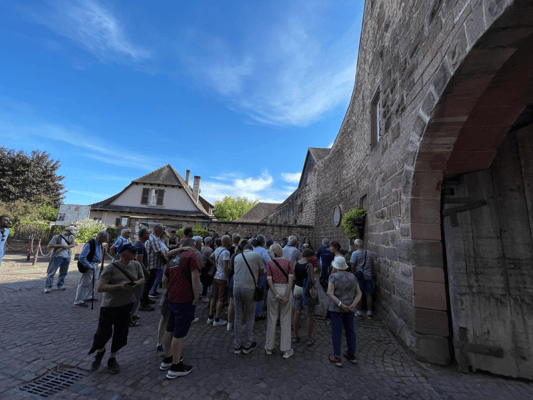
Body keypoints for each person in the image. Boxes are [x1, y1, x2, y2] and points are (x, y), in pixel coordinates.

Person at [88, 243, 145, 374]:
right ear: (124, 254)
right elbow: (100, 287)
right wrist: (119, 286)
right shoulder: (111, 268)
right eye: (133, 252)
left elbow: (142, 278)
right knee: (102, 333)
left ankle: (112, 359)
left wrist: (135, 283)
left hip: (127, 304)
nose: (135, 254)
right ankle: (100, 352)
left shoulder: (136, 265)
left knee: (121, 333)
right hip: (110, 305)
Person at [159, 238, 200, 379]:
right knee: (179, 333)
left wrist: (172, 290)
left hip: (173, 298)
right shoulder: (192, 255)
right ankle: (176, 366)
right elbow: (195, 277)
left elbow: (164, 280)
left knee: (170, 328)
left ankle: (167, 358)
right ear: (192, 245)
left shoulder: (174, 258)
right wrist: (196, 297)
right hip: (185, 298)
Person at [326, 256, 362, 367]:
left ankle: (337, 356)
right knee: (350, 330)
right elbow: (359, 293)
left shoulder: (333, 277)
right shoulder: (352, 276)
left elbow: (330, 293)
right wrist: (352, 305)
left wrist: (341, 305)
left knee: (337, 332)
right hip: (350, 308)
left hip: (336, 309)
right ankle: (352, 354)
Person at [231, 240, 262, 354]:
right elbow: (262, 273)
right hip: (249, 288)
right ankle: (247, 344)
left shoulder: (237, 257)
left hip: (236, 287)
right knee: (249, 316)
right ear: (251, 249)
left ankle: (237, 345)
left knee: (238, 316)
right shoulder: (256, 255)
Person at [265, 244, 294, 358]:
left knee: (272, 317)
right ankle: (286, 349)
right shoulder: (288, 262)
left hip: (274, 289)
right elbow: (291, 280)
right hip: (286, 287)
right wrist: (287, 294)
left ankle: (269, 347)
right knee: (286, 318)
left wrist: (276, 295)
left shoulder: (270, 263)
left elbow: (269, 281)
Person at [74, 231, 108, 308]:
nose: (105, 240)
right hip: (90, 264)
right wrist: (89, 266)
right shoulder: (90, 244)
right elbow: (82, 257)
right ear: (100, 237)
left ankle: (88, 296)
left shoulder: (99, 244)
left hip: (95, 264)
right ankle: (78, 301)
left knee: (93, 281)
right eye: (104, 238)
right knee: (85, 282)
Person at [292, 249, 316, 346]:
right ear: (309, 256)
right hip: (306, 290)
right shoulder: (309, 265)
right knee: (308, 314)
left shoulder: (295, 263)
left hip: (297, 288)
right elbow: (312, 281)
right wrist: (315, 281)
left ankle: (295, 336)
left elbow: (294, 277)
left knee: (297, 312)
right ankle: (309, 339)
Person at [140, 224, 167, 310]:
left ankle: (146, 299)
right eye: (161, 230)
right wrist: (166, 261)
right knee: (148, 283)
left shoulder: (156, 238)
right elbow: (158, 252)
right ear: (157, 230)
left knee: (150, 283)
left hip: (154, 265)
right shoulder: (153, 239)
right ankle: (143, 303)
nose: (163, 232)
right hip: (152, 265)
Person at [44, 226, 76, 293]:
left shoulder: (71, 237)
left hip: (67, 256)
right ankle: (48, 287)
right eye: (70, 232)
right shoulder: (57, 237)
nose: (71, 234)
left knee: (63, 272)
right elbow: (50, 245)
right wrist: (61, 245)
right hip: (57, 256)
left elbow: (73, 244)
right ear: (67, 230)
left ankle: (60, 284)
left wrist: (63, 247)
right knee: (51, 272)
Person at [207, 235, 231, 326]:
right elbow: (225, 267)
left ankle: (210, 317)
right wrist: (228, 278)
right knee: (221, 299)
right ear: (227, 241)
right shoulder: (226, 252)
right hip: (222, 277)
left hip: (216, 275)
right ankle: (217, 319)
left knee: (214, 297)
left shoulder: (217, 249)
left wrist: (216, 265)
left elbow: (210, 257)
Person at [130, 228, 151, 325]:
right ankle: (130, 317)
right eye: (148, 233)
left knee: (136, 296)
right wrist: (146, 272)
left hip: (137, 273)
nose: (149, 235)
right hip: (139, 274)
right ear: (144, 235)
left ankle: (132, 313)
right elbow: (139, 261)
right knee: (136, 296)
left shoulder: (139, 244)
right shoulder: (140, 245)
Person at [350, 239, 375, 321]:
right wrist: (371, 273)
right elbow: (372, 265)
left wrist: (353, 273)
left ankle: (359, 312)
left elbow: (352, 266)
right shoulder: (369, 253)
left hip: (359, 277)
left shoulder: (355, 253)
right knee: (369, 294)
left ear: (356, 245)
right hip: (368, 276)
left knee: (359, 294)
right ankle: (369, 312)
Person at [253, 235, 271, 321]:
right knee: (260, 293)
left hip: (252, 274)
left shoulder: (252, 248)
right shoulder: (262, 250)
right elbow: (269, 262)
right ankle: (258, 313)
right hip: (261, 274)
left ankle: (251, 311)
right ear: (263, 243)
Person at [227, 234, 242, 330]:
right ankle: (239, 323)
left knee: (231, 302)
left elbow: (230, 269)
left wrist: (228, 279)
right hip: (242, 280)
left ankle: (229, 323)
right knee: (242, 303)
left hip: (233, 278)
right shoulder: (244, 256)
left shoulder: (233, 256)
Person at [200, 236, 214, 301]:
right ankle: (205, 296)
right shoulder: (209, 250)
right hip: (207, 267)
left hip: (201, 266)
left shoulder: (201, 248)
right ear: (210, 242)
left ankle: (202, 294)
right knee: (207, 282)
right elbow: (210, 259)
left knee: (202, 281)